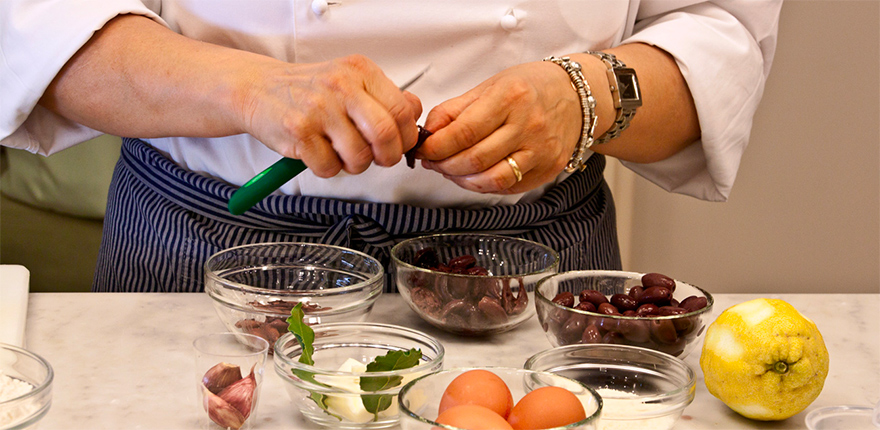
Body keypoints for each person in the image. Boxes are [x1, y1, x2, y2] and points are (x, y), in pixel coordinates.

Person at [0, 0, 782, 292]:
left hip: (528, 259)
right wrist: (245, 87)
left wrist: (590, 97)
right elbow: (36, 24)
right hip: (205, 255)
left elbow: (720, 33)